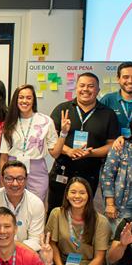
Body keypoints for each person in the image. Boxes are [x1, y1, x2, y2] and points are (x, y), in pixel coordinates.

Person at [47, 72, 120, 212]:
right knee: (55, 211)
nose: (85, 89)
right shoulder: (62, 109)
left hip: (90, 173)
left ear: (98, 90)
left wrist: (91, 153)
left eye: (91, 86)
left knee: (84, 214)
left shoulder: (108, 114)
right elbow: (51, 140)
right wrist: (69, 151)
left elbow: (112, 144)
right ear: (76, 88)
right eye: (82, 85)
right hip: (62, 171)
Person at [0, 84, 58, 203]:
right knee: (12, 204)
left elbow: (55, 153)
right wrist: (2, 181)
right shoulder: (9, 123)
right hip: (12, 168)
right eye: (21, 97)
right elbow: (4, 157)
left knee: (36, 205)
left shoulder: (46, 121)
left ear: (33, 100)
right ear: (16, 100)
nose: (24, 101)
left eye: (28, 98)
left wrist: (64, 135)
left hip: (37, 170)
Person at [0, 162, 45, 252]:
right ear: (2, 179)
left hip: (27, 255)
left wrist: (15, 249)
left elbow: (35, 240)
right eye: (9, 179)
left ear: (26, 180)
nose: (15, 184)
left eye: (20, 179)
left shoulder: (36, 203)